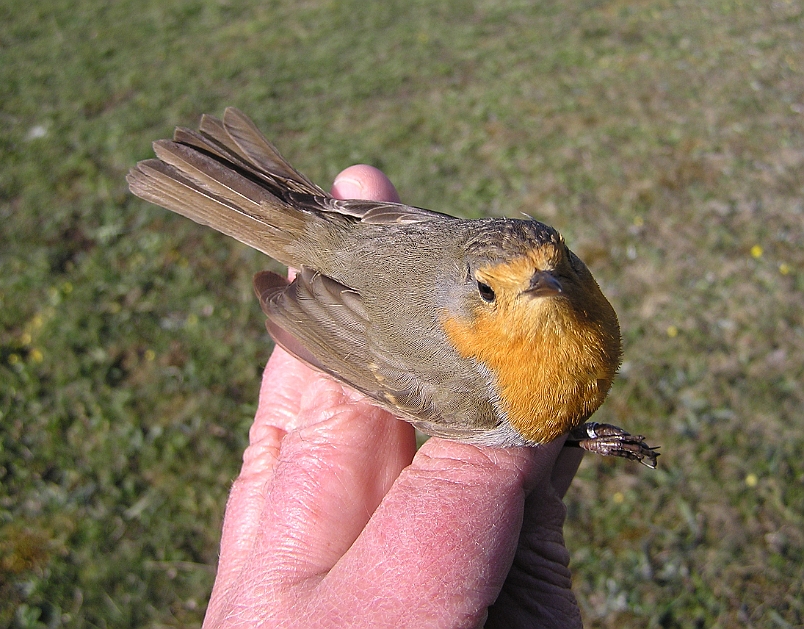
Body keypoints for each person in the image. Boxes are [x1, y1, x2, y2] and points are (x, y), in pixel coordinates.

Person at [201, 165, 585, 628]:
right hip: (352, 298)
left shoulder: (576, 307)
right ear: (472, 292)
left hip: (365, 241)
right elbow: (358, 352)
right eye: (489, 291)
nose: (551, 288)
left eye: (560, 268)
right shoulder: (477, 383)